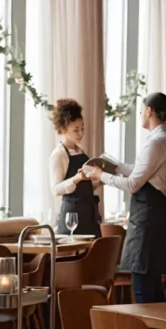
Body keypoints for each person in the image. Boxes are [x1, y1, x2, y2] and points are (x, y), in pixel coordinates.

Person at [84, 92, 166, 329]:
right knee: (152, 288)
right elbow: (138, 171)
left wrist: (100, 176)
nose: (140, 115)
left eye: (141, 110)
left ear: (149, 111)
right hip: (153, 217)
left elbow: (135, 183)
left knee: (143, 289)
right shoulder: (162, 140)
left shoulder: (156, 142)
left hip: (148, 220)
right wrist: (111, 166)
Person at [49, 98, 102, 237]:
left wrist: (100, 179)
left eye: (82, 128)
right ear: (63, 129)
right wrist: (77, 178)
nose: (81, 134)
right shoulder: (59, 154)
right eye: (76, 130)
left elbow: (86, 186)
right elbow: (55, 189)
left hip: (89, 215)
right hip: (71, 218)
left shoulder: (81, 151)